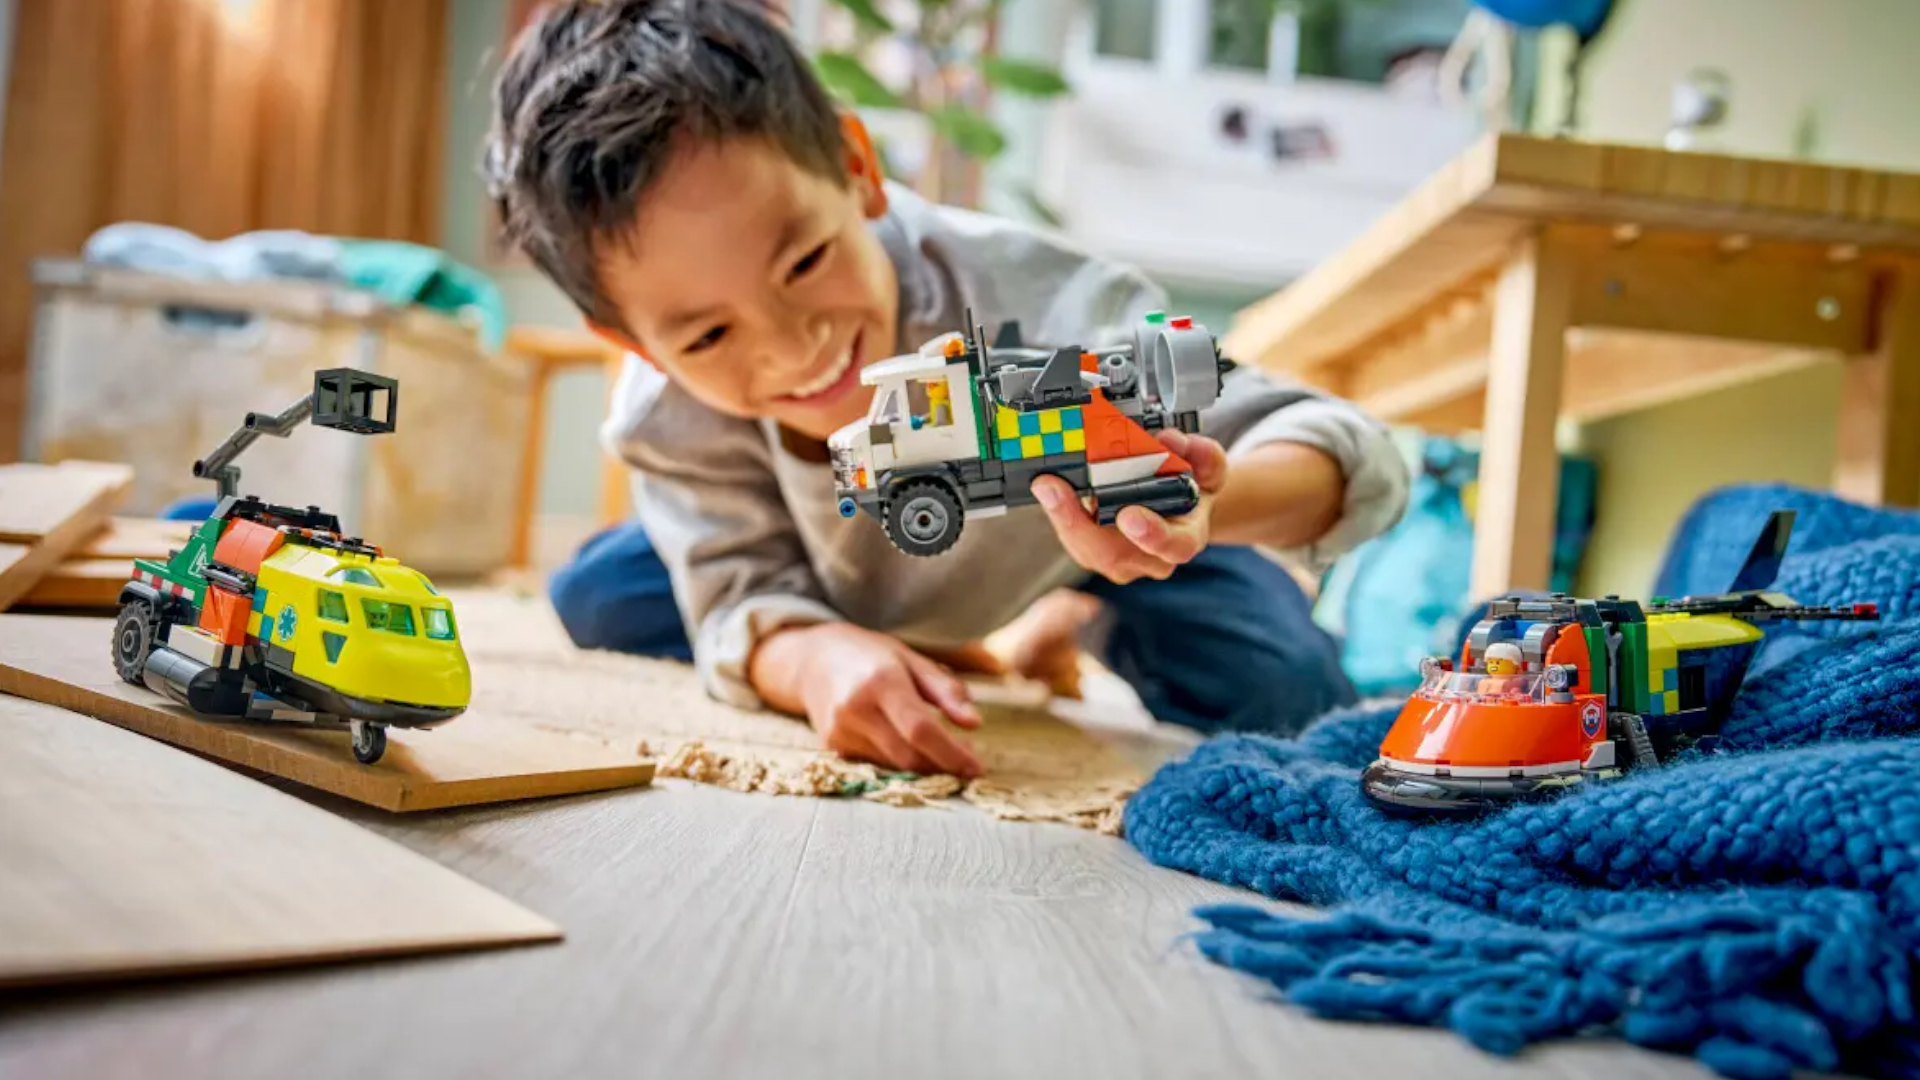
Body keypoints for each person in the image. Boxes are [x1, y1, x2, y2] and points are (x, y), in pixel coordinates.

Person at [484, 0, 1410, 779]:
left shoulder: (1043, 307)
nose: (793, 346)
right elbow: (738, 593)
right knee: (600, 593)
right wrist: (810, 660)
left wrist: (1204, 501)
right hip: (821, 569)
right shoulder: (666, 414)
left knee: (1290, 688)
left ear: (857, 169)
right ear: (626, 340)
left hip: (1092, 543)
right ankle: (943, 642)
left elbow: (1346, 447)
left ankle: (1068, 614)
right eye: (709, 333)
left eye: (805, 259)